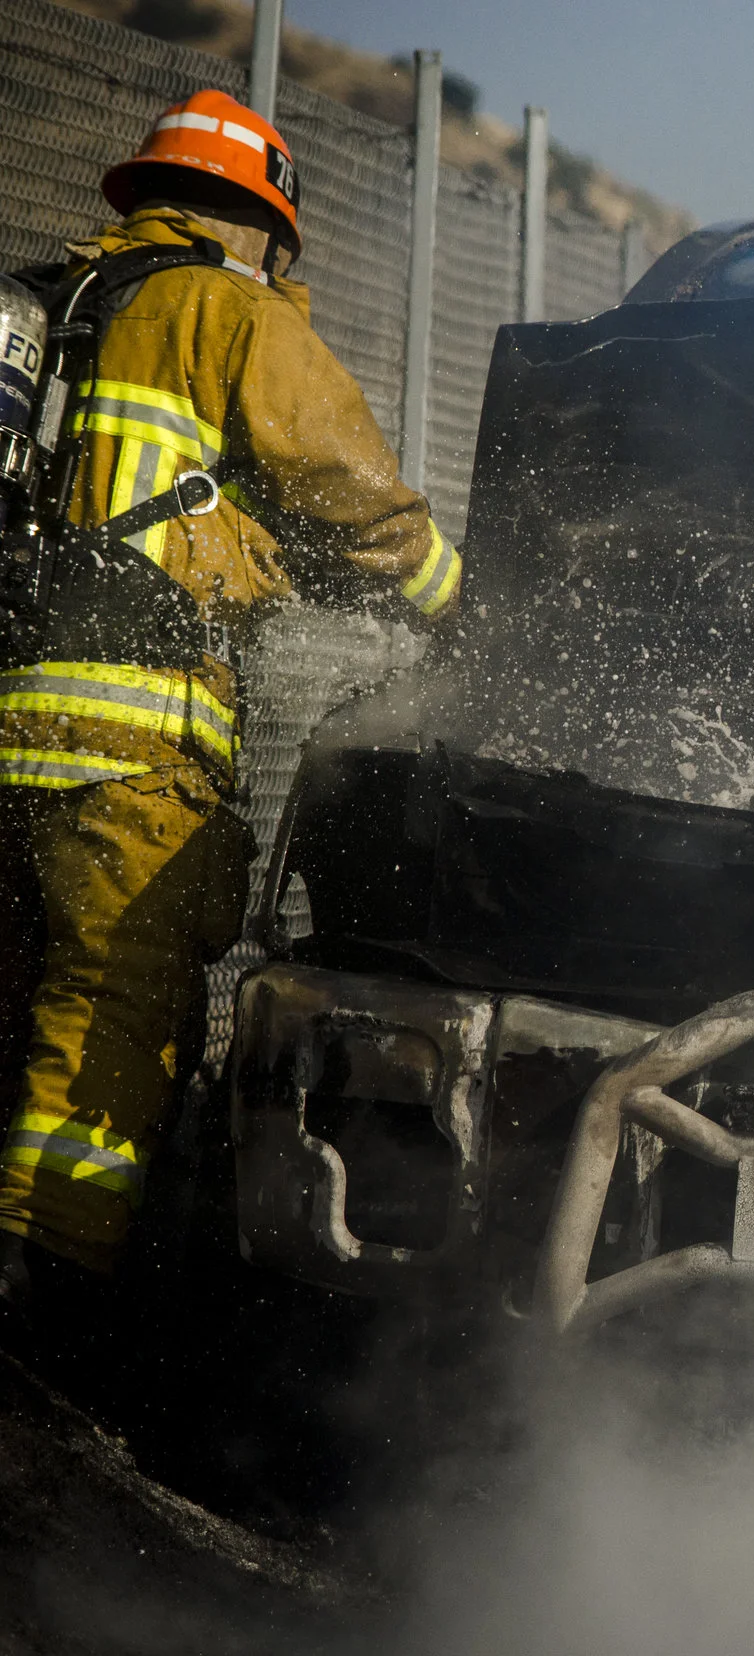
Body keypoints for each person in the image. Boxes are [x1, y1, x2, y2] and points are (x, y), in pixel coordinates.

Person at [0, 90, 461, 1309]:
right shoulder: (225, 310)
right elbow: (345, 479)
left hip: (12, 712)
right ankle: (44, 1285)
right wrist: (451, 602)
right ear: (255, 223)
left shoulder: (47, 310)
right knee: (112, 1004)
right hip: (132, 741)